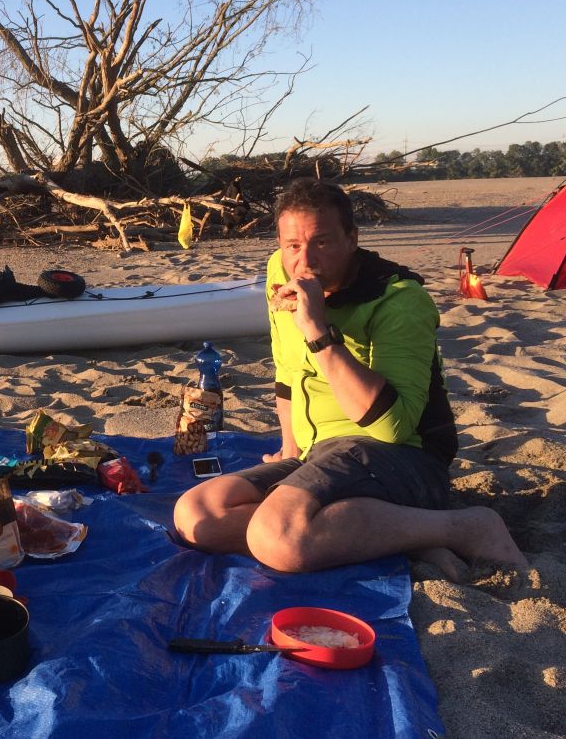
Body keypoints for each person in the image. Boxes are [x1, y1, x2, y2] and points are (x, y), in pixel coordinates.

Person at [173, 178, 527, 580]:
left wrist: (318, 332)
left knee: (280, 536)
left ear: (351, 239)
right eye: (292, 246)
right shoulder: (280, 271)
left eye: (322, 242)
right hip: (321, 451)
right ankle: (400, 535)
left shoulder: (399, 300)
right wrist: (290, 448)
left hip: (404, 457)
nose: (304, 261)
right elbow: (287, 369)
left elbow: (392, 428)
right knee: (198, 515)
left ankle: (464, 527)